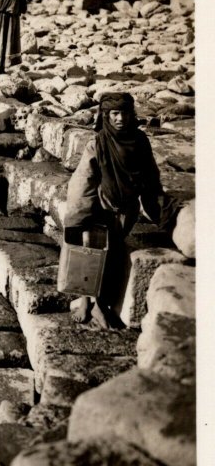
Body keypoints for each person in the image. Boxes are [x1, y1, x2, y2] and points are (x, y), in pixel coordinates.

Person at [65, 92, 179, 329]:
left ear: (131, 115)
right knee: (89, 252)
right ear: (106, 116)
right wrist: (79, 214)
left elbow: (150, 178)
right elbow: (84, 181)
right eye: (115, 114)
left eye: (125, 113)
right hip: (99, 206)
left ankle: (100, 304)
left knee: (113, 255)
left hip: (126, 210)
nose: (120, 119)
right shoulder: (97, 143)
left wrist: (163, 212)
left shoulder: (140, 142)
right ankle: (87, 301)